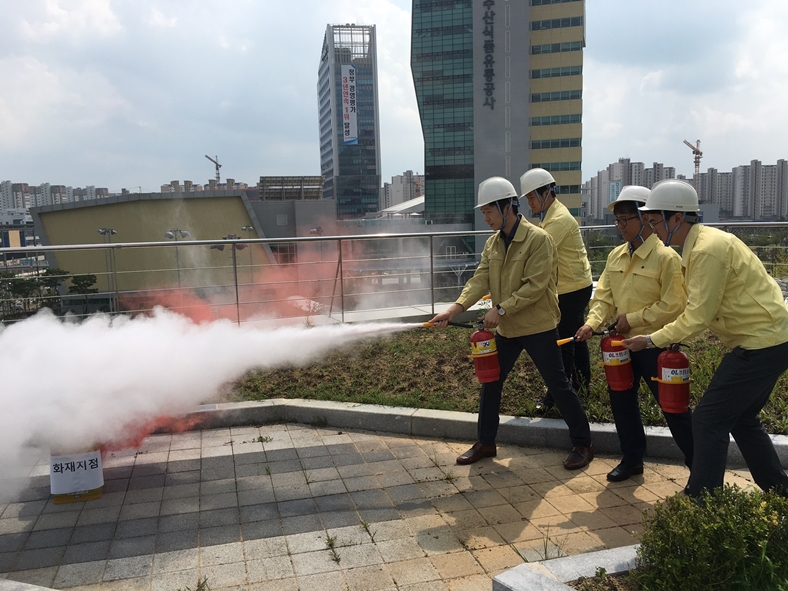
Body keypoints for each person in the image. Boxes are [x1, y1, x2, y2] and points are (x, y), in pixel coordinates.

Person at [623, 179, 788, 498]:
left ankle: (703, 500)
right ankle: (779, 490)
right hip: (769, 340)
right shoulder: (697, 247)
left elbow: (697, 315)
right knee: (741, 418)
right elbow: (693, 305)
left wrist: (652, 339)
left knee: (708, 420)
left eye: (655, 221)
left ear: (676, 219)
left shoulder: (707, 250)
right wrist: (665, 333)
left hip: (761, 344)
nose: (652, 228)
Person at [429, 177, 593, 470]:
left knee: (558, 385)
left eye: (489, 211)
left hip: (538, 326)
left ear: (507, 207)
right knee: (490, 382)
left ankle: (583, 443)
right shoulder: (493, 244)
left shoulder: (538, 240)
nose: (486, 217)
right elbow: (480, 279)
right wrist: (454, 309)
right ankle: (486, 442)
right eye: (483, 212)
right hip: (508, 329)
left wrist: (501, 310)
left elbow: (537, 285)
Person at [575, 186, 694, 482]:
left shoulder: (666, 257)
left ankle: (699, 465)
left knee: (673, 408)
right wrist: (592, 322)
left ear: (645, 218)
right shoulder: (616, 256)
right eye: (617, 221)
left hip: (656, 345)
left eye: (626, 220)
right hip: (621, 346)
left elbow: (673, 305)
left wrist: (633, 319)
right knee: (622, 403)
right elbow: (603, 297)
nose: (620, 227)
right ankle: (632, 460)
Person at [520, 168, 593, 410]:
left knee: (564, 341)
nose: (529, 203)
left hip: (572, 288)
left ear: (547, 193)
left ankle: (556, 396)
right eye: (528, 198)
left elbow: (537, 252)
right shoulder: (548, 216)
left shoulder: (559, 220)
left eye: (532, 197)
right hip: (571, 286)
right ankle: (582, 386)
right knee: (577, 337)